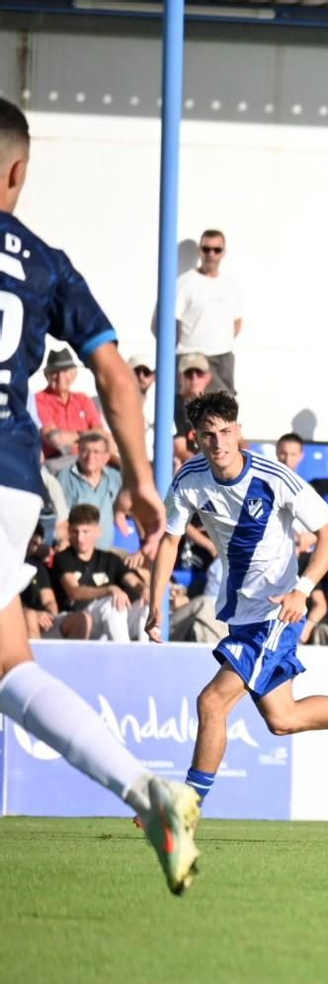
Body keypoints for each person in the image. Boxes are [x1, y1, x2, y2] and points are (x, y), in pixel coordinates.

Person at [0, 96, 200, 893]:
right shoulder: (45, 262)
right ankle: (148, 792)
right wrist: (144, 483)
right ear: (17, 172)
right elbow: (115, 373)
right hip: (14, 484)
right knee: (11, 666)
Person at [145, 391, 328, 818]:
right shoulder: (189, 479)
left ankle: (184, 810)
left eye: (226, 431)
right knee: (283, 719)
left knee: (212, 703)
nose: (219, 442)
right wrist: (155, 605)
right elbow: (170, 540)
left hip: (278, 611)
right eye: (208, 434)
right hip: (241, 614)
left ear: (239, 431)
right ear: (195, 438)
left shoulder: (274, 477)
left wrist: (303, 588)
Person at [50, 504, 150, 641]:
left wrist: (144, 589)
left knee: (146, 605)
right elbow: (74, 591)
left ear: (98, 532)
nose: (80, 538)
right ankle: (124, 651)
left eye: (86, 532)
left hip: (108, 623)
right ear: (68, 531)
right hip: (74, 618)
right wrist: (109, 590)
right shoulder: (63, 558)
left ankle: (147, 649)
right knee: (112, 604)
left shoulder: (111, 559)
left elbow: (134, 582)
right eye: (75, 532)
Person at [163, 228, 244, 392]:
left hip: (223, 358)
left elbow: (236, 322)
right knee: (194, 406)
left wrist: (221, 342)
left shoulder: (231, 286)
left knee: (224, 406)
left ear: (223, 252)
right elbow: (170, 322)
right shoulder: (184, 283)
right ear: (200, 251)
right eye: (206, 249)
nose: (211, 254)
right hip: (193, 358)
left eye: (216, 250)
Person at [35, 346, 107, 465]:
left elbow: (101, 433)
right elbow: (56, 439)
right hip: (56, 461)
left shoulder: (83, 399)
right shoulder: (39, 399)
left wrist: (73, 437)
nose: (60, 376)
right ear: (46, 375)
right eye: (54, 372)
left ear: (74, 374)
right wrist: (89, 435)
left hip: (88, 459)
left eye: (65, 371)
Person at [58, 430, 123, 548]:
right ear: (78, 452)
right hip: (75, 550)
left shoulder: (115, 478)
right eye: (85, 451)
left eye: (96, 452)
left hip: (106, 551)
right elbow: (61, 519)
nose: (90, 456)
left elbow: (130, 510)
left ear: (106, 457)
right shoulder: (66, 477)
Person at [172, 352, 213, 461]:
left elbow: (238, 440)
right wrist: (206, 466)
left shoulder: (216, 406)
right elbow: (180, 450)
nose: (194, 378)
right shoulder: (173, 407)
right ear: (180, 377)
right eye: (189, 373)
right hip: (187, 467)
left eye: (199, 373)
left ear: (208, 377)